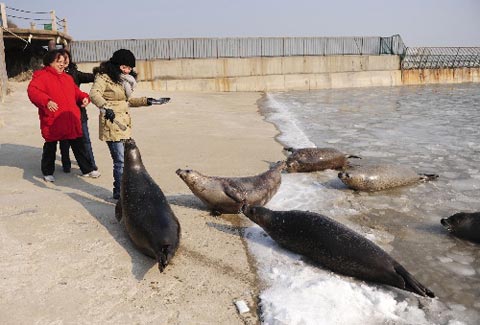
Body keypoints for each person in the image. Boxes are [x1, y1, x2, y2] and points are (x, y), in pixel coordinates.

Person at [89, 49, 170, 199]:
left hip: (124, 125)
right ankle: (120, 194)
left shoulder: (125, 80)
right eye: (125, 67)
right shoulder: (104, 77)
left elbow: (127, 101)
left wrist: (148, 101)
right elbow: (94, 94)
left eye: (130, 68)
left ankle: (125, 189)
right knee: (120, 161)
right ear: (116, 64)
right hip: (111, 123)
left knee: (127, 160)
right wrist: (105, 107)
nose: (128, 70)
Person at [27, 49, 101, 182]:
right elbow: (33, 91)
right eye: (58, 62)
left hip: (70, 118)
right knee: (50, 147)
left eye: (63, 62)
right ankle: (47, 172)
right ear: (50, 62)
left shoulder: (67, 78)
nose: (62, 64)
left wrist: (84, 98)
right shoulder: (41, 76)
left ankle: (87, 169)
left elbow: (77, 92)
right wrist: (46, 101)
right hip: (53, 119)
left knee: (79, 146)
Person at [58, 49, 98, 173]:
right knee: (64, 142)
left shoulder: (75, 73)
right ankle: (66, 164)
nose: (64, 61)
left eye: (66, 58)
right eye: (61, 59)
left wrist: (104, 73)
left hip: (79, 113)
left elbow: (91, 77)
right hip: (62, 114)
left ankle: (91, 163)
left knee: (85, 139)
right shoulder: (53, 75)